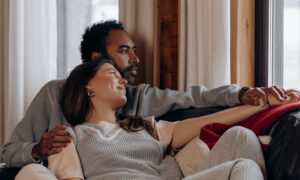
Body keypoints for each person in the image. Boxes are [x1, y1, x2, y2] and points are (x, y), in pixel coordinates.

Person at [1, 20, 294, 168]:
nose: (136, 60)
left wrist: (245, 94)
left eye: (135, 51)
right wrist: (38, 150)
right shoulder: (55, 95)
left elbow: (195, 97)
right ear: (95, 59)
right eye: (124, 51)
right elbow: (8, 152)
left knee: (241, 139)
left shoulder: (138, 100)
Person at [15, 58, 298, 180]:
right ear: (88, 86)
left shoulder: (145, 126)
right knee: (243, 167)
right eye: (112, 73)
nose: (123, 79)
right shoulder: (69, 137)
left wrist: (261, 103)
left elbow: (213, 120)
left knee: (242, 137)